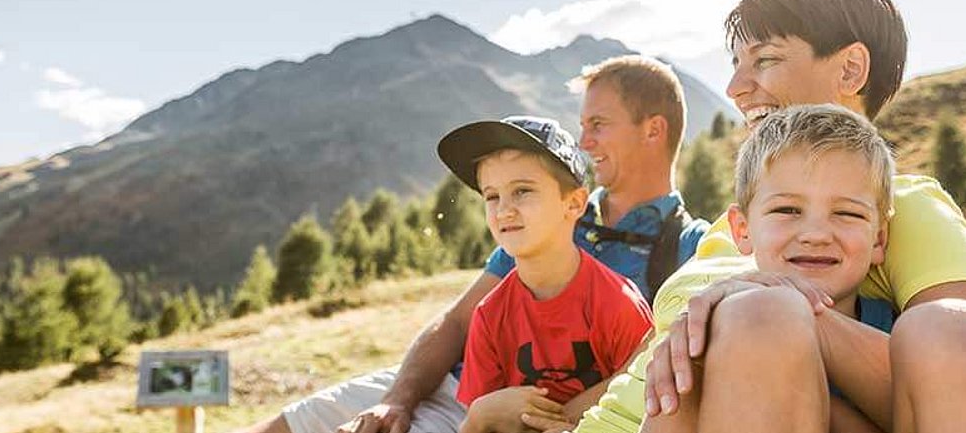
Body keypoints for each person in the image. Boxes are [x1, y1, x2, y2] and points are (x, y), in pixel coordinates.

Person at [624, 0, 966, 432]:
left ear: (851, 70)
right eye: (736, 63)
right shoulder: (734, 224)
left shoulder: (903, 206)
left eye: (766, 59)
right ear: (744, 227)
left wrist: (785, 306)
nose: (735, 87)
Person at [235, 54, 709, 433]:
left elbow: (652, 364)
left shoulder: (688, 245)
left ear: (653, 129)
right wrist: (398, 400)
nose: (584, 141)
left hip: (546, 414)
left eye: (598, 125)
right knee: (290, 423)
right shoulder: (530, 218)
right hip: (461, 388)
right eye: (581, 126)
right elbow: (461, 320)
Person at [659, 104, 901, 432]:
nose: (816, 235)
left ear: (878, 240)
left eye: (848, 214)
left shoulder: (902, 340)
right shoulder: (711, 333)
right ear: (742, 229)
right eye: (787, 209)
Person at [436, 116, 653, 433]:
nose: (504, 210)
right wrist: (481, 415)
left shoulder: (617, 304)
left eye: (522, 191)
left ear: (574, 203)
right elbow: (481, 425)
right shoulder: (489, 315)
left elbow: (646, 403)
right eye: (492, 196)